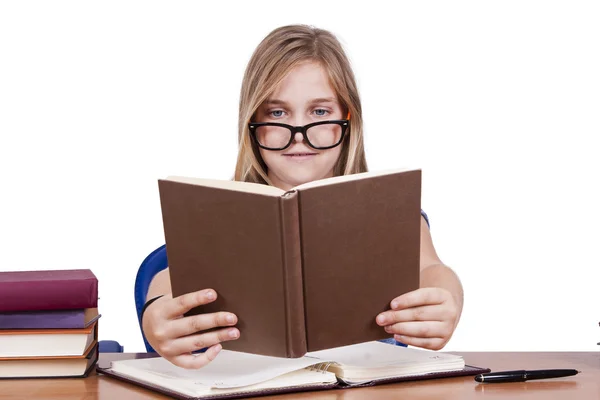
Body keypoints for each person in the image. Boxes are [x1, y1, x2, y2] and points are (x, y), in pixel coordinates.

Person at [142, 24, 463, 369]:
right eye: (277, 113)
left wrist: (448, 301)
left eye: (320, 112)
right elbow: (167, 277)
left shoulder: (389, 214)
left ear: (347, 118)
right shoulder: (219, 216)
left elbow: (432, 269)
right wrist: (155, 312)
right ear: (252, 121)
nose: (298, 136)